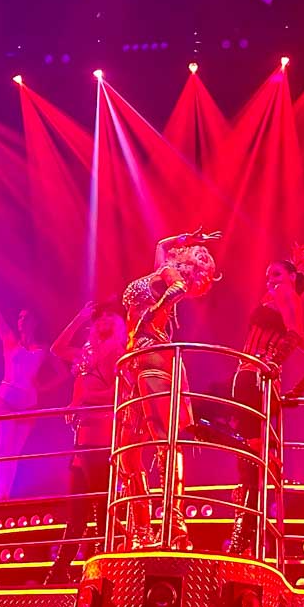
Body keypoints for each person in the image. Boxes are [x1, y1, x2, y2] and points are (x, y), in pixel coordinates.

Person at [119, 229, 221, 550]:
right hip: (135, 356)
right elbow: (160, 244)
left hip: (152, 352)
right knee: (127, 449)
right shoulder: (161, 266)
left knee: (164, 439)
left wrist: (152, 316)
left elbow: (177, 289)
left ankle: (173, 521)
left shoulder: (169, 274)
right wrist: (186, 236)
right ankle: (142, 526)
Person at [227, 245, 304, 556]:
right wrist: (292, 389)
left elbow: (296, 335)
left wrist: (270, 364)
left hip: (254, 378)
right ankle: (246, 540)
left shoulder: (286, 296)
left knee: (252, 463)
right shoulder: (280, 300)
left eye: (276, 274)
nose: (270, 280)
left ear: (292, 277)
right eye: (268, 275)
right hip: (253, 380)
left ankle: (244, 540)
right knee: (252, 462)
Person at [46, 299, 128, 583]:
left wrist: (83, 401)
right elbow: (56, 349)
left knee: (101, 509)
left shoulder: (119, 354)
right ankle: (59, 571)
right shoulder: (87, 353)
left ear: (118, 323)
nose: (103, 320)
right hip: (81, 441)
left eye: (110, 316)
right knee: (77, 512)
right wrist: (79, 318)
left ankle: (104, 570)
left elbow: (120, 396)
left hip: (102, 439)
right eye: (100, 316)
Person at [0, 278, 51, 501]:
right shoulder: (10, 341)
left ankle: (6, 493)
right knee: (4, 447)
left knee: (15, 452)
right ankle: (0, 494)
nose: (21, 320)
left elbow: (62, 374)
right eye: (19, 317)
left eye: (26, 317)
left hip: (28, 404)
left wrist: (41, 388)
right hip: (5, 399)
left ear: (34, 321)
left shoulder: (43, 349)